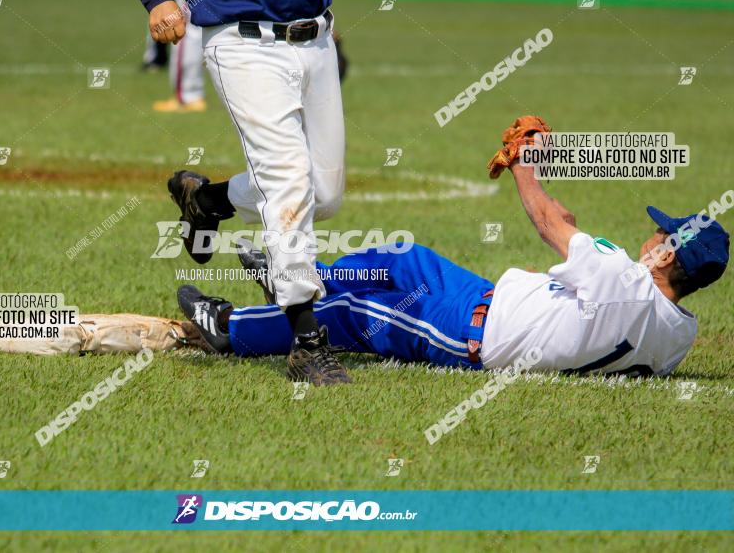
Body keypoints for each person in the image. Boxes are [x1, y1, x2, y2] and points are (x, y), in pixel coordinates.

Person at [176, 119, 730, 381]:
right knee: (401, 257)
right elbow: (570, 232)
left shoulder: (619, 276)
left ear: (666, 256)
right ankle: (302, 277)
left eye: (663, 233)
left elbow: (545, 219)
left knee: (350, 316)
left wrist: (524, 161)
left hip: (473, 334)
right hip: (483, 297)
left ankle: (228, 326)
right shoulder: (677, 332)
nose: (654, 233)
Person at [124, 0, 385, 385]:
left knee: (325, 194)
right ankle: (307, 343)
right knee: (288, 180)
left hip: (316, 39)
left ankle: (206, 202)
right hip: (243, 43)